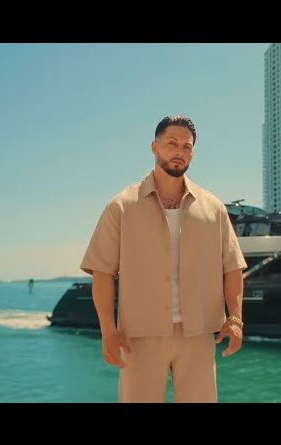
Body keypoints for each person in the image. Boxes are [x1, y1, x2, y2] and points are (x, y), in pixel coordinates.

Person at [80, 115, 247, 403]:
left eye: (187, 146)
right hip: (139, 338)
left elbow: (232, 268)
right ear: (154, 147)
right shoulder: (121, 206)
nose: (179, 151)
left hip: (198, 337)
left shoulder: (214, 209)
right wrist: (108, 331)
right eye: (172, 143)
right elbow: (102, 271)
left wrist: (235, 319)